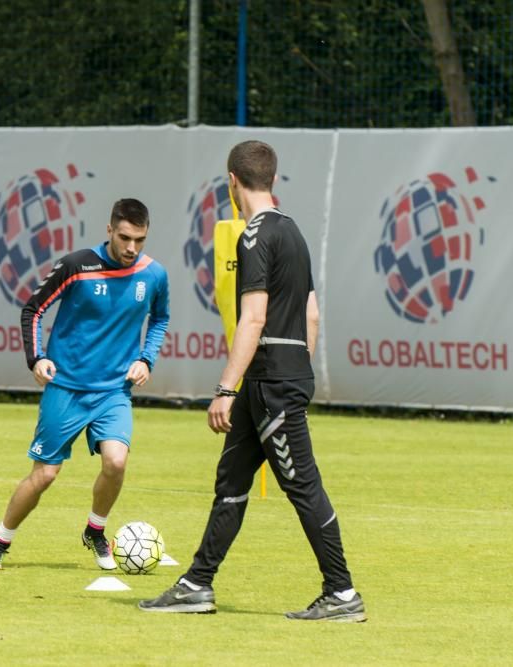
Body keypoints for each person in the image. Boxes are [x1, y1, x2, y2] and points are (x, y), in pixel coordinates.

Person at [139, 141, 365, 621]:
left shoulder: (252, 236)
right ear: (274, 180)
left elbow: (254, 318)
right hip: (278, 376)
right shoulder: (292, 230)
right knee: (232, 481)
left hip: (269, 383)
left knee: (303, 486)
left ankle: (342, 593)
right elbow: (312, 313)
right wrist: (297, 369)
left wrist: (225, 388)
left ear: (231, 181)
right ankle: (197, 584)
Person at [0, 197, 170, 571]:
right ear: (110, 230)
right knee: (45, 475)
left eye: (140, 240)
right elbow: (33, 309)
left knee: (116, 462)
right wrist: (38, 357)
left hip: (114, 391)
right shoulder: (77, 266)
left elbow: (160, 319)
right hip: (66, 387)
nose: (132, 248)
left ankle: (95, 530)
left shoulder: (155, 274)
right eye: (126, 238)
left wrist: (146, 359)